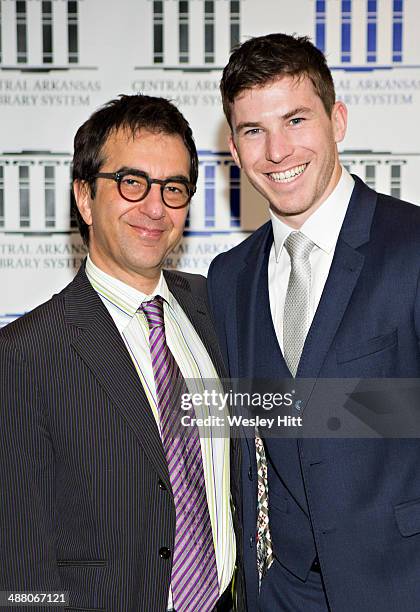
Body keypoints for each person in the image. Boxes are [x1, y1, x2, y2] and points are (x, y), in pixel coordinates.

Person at [0, 94, 239, 612]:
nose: (155, 207)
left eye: (173, 188)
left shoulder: (219, 309)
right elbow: (18, 566)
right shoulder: (21, 357)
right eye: (132, 183)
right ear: (85, 198)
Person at [207, 33, 420, 612]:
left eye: (296, 120)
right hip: (277, 592)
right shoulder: (228, 278)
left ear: (338, 119)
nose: (277, 151)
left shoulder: (411, 246)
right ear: (234, 146)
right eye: (254, 131)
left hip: (399, 582)